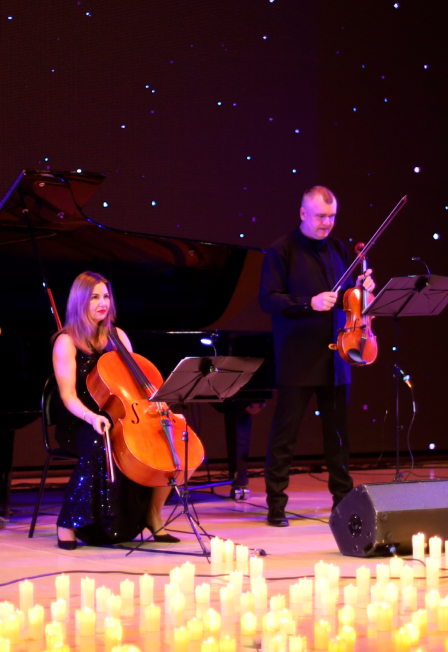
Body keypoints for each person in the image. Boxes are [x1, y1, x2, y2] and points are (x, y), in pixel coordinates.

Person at [259, 186, 375, 527]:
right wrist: (308, 303)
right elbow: (268, 299)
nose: (327, 223)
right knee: (285, 434)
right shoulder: (281, 250)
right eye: (321, 216)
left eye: (332, 216)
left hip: (339, 355)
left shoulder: (339, 248)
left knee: (338, 437)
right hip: (298, 356)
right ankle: (276, 505)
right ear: (303, 214)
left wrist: (362, 287)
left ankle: (343, 502)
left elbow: (350, 298)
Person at [54, 271, 179, 549]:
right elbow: (68, 396)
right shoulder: (66, 342)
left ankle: (153, 514)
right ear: (80, 301)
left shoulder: (118, 336)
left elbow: (134, 385)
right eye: (94, 297)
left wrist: (160, 408)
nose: (103, 303)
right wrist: (91, 417)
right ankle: (67, 522)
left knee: (165, 438)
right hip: (79, 420)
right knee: (99, 442)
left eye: (106, 296)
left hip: (117, 416)